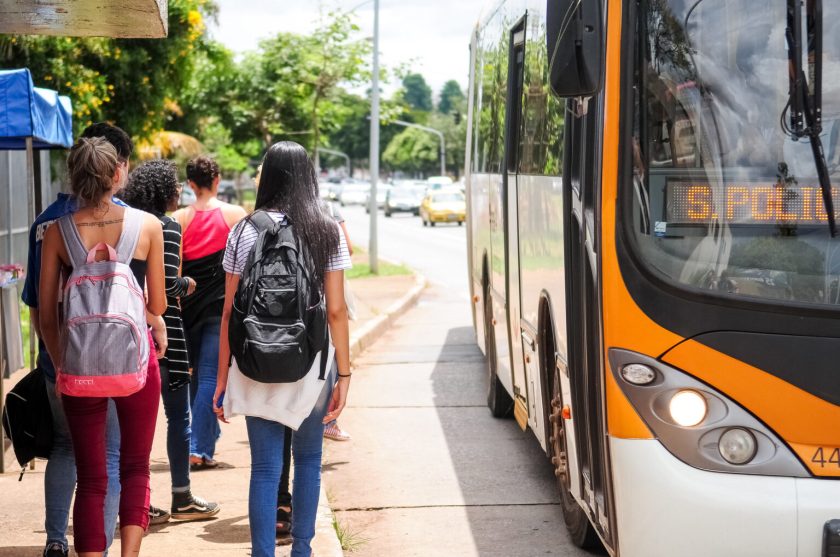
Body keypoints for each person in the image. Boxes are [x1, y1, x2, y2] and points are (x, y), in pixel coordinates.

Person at [214, 141, 352, 557]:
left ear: (266, 177)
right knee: (308, 461)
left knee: (264, 467)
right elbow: (337, 311)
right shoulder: (325, 228)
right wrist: (343, 374)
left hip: (254, 362)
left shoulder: (244, 229)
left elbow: (228, 312)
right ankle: (303, 551)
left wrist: (221, 380)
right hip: (311, 364)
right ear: (308, 176)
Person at [38, 137, 166, 557]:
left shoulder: (57, 231)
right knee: (134, 467)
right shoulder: (147, 226)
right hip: (136, 364)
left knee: (92, 477)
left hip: (79, 367)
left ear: (74, 177)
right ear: (117, 174)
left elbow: (45, 313)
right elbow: (158, 305)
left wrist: (62, 366)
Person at [22, 122, 133, 557]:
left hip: (60, 354)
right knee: (109, 455)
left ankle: (55, 539)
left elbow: (37, 302)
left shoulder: (45, 223)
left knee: (66, 446)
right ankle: (99, 545)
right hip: (112, 359)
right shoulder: (125, 219)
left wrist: (54, 358)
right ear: (115, 169)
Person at [120, 160, 221, 521]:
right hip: (168, 330)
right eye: (175, 186)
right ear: (166, 192)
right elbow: (165, 285)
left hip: (127, 332)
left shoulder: (124, 223)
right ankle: (182, 497)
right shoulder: (168, 225)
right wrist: (188, 285)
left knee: (132, 423)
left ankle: (135, 501)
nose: (180, 191)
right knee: (179, 416)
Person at [173, 156, 247, 469]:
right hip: (221, 309)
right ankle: (200, 448)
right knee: (210, 377)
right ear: (216, 180)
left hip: (187, 310)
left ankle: (201, 442)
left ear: (190, 184)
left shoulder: (178, 219)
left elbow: (173, 273)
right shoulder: (235, 216)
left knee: (194, 380)